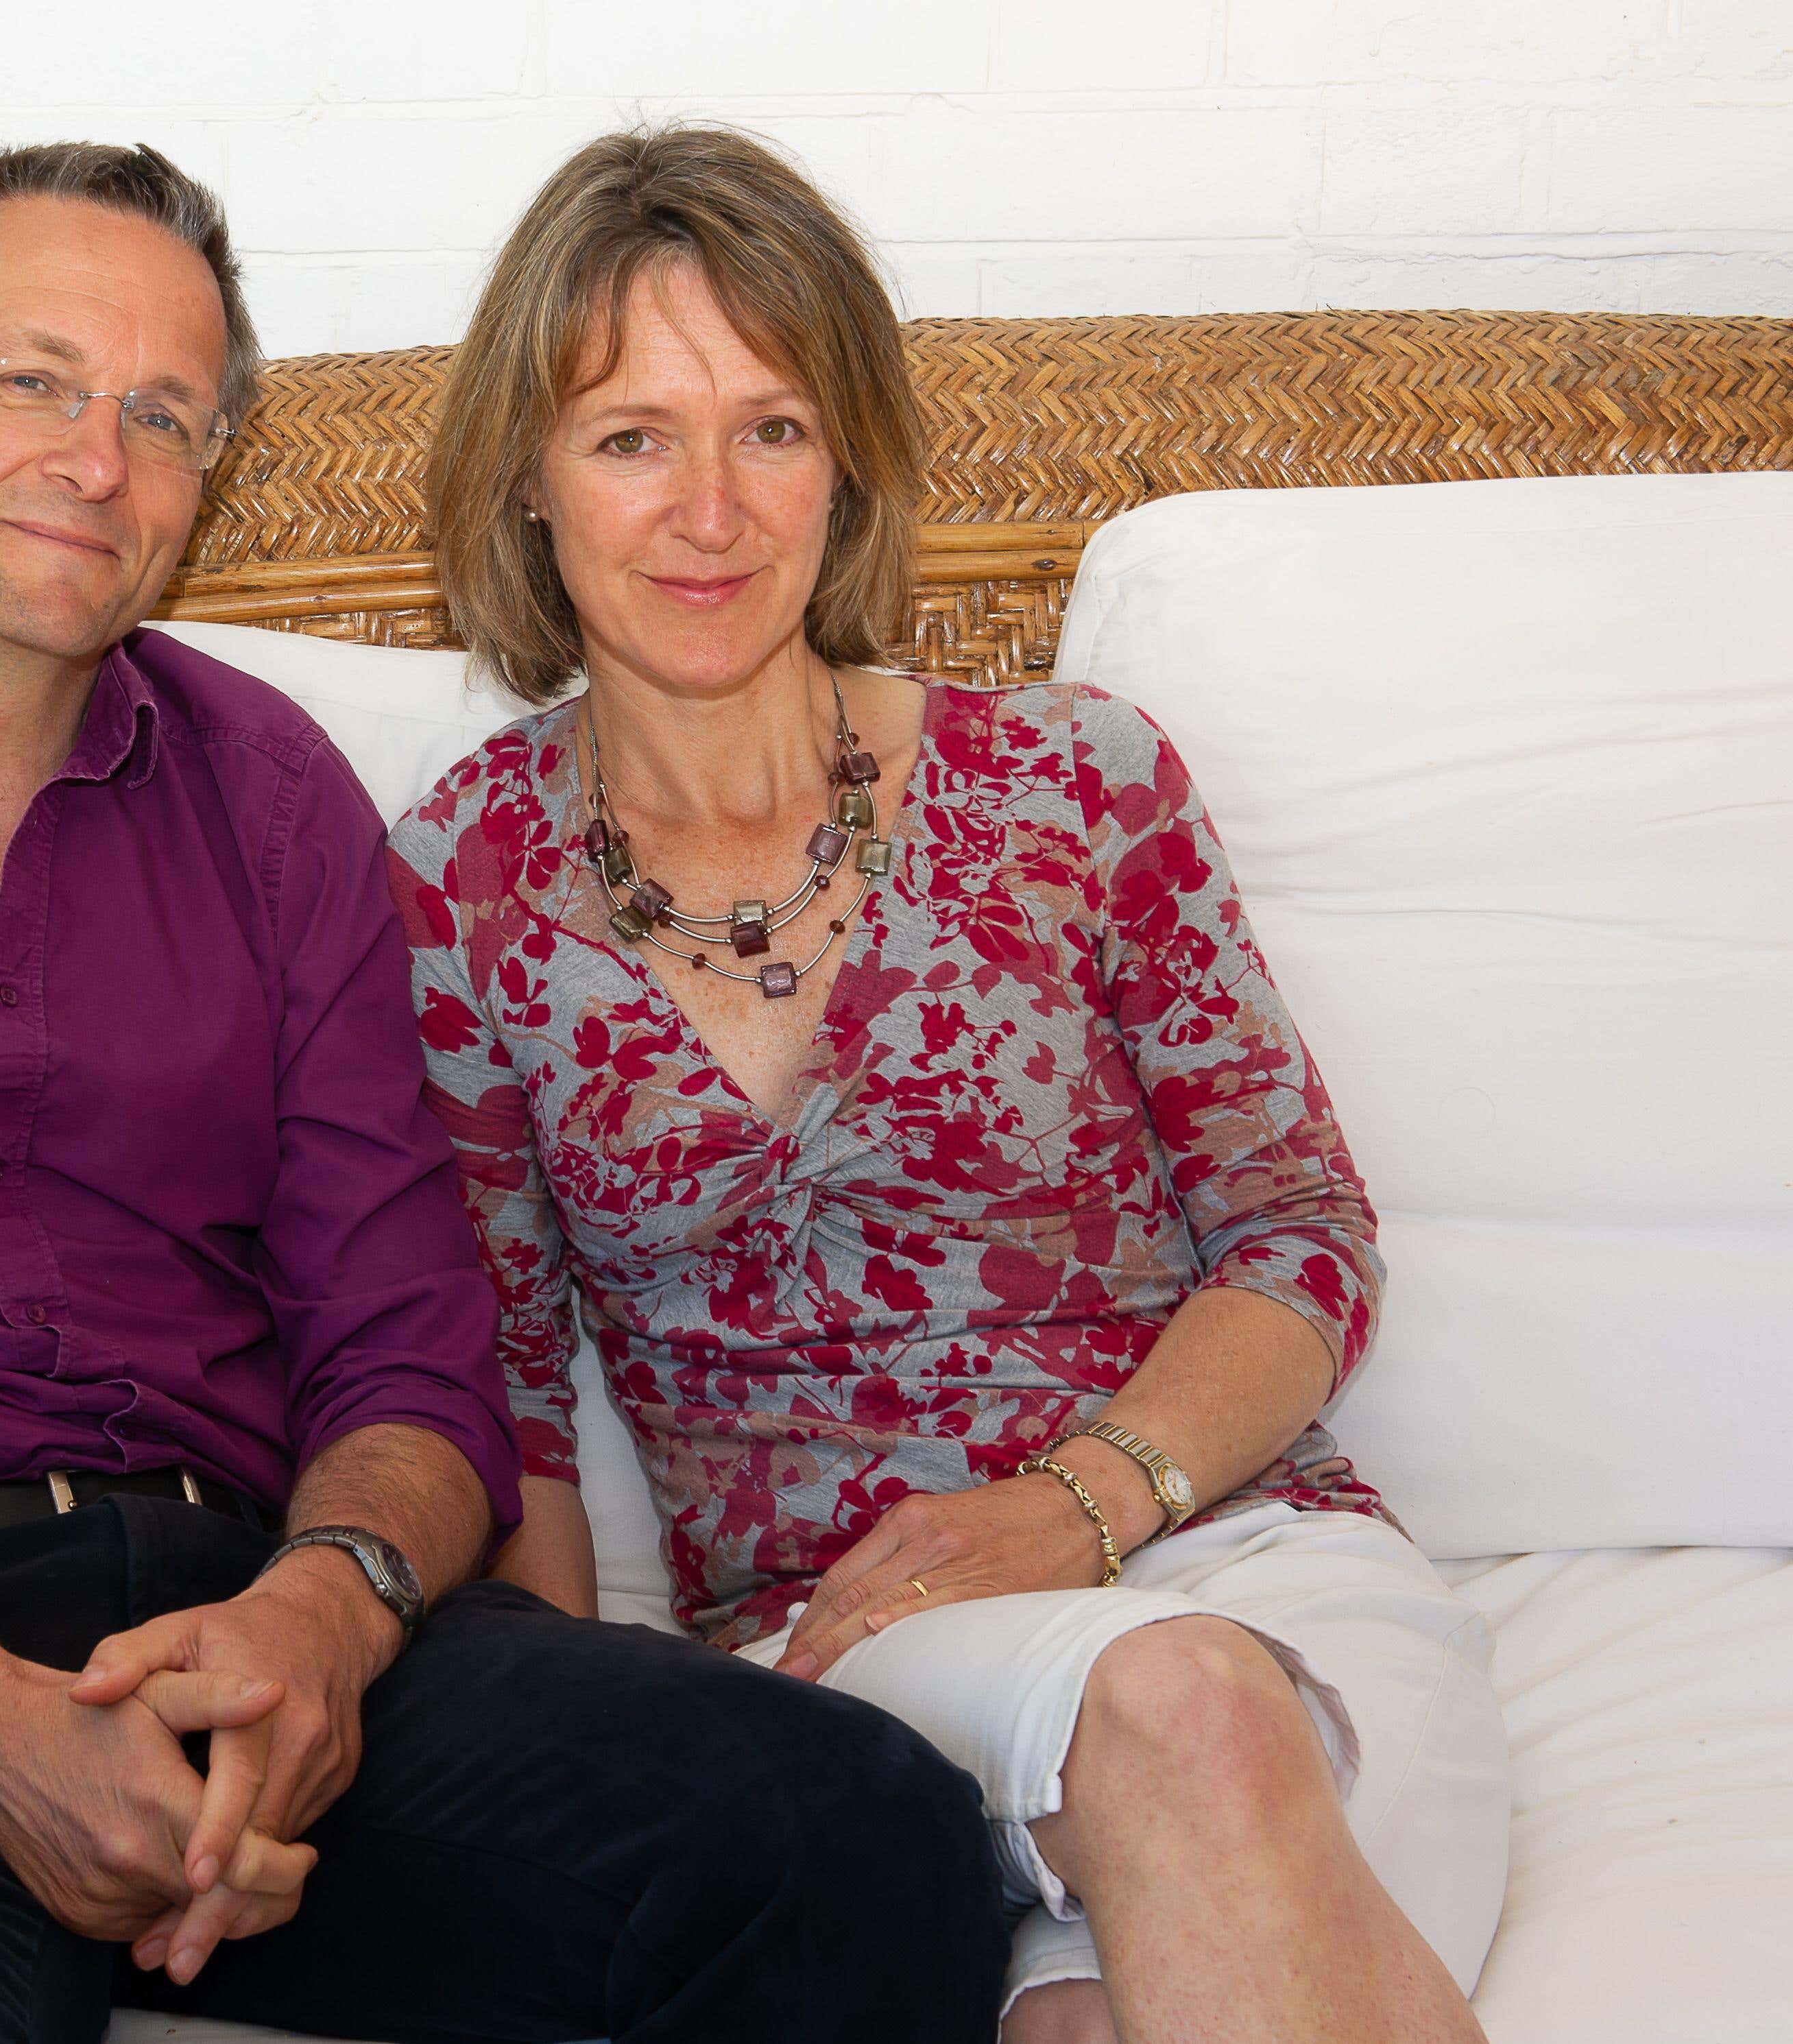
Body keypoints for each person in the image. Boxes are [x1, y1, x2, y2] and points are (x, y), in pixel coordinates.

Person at [0, 139, 1004, 2044]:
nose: (96, 460)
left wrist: (319, 1627)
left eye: (165, 416)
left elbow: (415, 1362)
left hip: (247, 1627)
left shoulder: (272, 803)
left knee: (867, 1838)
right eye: (31, 382)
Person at [392, 124, 1515, 2044]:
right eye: (632, 435)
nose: (710, 512)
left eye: (772, 427)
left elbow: (1300, 1240)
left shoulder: (1080, 785)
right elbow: (501, 1399)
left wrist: (1082, 1506)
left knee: (1120, 1930)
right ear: (529, 481)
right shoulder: (465, 889)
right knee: (1174, 1703)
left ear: (847, 468)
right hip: (853, 1667)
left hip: (1259, 1561)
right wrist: (589, 1765)